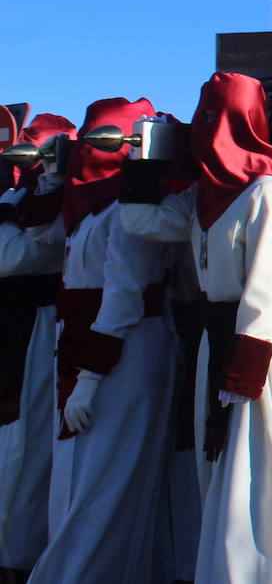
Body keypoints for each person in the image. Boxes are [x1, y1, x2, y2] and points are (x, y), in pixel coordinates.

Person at [121, 74, 272, 583]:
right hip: (216, 337)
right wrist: (145, 158)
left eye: (212, 117)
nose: (203, 129)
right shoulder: (203, 195)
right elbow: (140, 223)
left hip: (259, 342)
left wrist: (244, 369)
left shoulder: (267, 192)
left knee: (255, 466)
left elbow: (265, 287)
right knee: (217, 464)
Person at [30, 98, 179, 584]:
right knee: (75, 479)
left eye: (103, 139)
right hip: (81, 348)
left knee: (107, 481)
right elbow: (42, 236)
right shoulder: (89, 212)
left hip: (122, 352)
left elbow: (124, 297)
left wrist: (90, 378)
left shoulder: (128, 211)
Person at [0, 114, 75, 578]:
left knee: (25, 448)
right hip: (16, 327)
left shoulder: (63, 200)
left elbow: (19, 257)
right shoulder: (17, 198)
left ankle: (17, 555)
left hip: (37, 330)